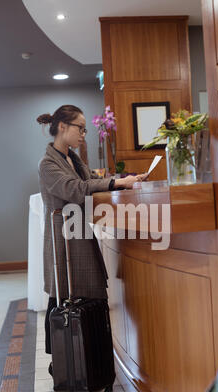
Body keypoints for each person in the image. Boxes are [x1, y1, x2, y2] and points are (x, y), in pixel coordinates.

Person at [37, 104, 148, 363]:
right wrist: (117, 182)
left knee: (87, 295)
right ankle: (64, 362)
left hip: (78, 234)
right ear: (62, 127)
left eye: (85, 129)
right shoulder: (47, 163)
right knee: (62, 297)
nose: (83, 134)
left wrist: (124, 180)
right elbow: (76, 189)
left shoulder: (73, 158)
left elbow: (88, 184)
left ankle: (86, 361)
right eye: (80, 128)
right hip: (63, 240)